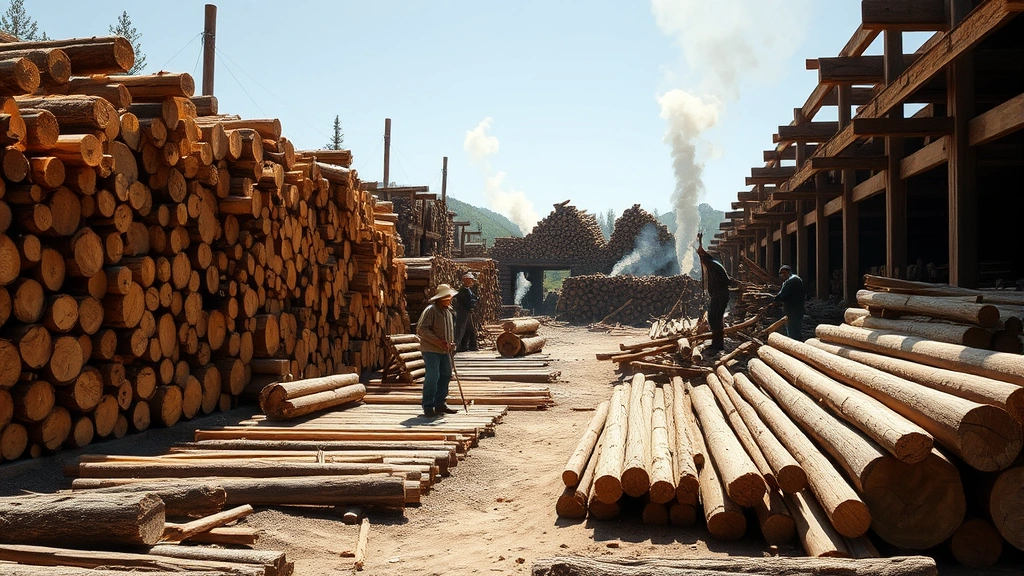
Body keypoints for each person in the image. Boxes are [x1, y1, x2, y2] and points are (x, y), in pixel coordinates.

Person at [416, 283, 459, 417]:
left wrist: (451, 344)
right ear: (440, 298)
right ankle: (428, 405)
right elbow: (422, 329)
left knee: (446, 375)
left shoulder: (448, 311)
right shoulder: (431, 310)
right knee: (433, 376)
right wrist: (438, 342)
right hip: (431, 350)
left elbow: (449, 331)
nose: (450, 300)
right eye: (447, 298)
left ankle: (440, 404)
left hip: (445, 350)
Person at [695, 232, 731, 350]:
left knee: (715, 319)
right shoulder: (713, 265)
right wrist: (699, 242)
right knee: (713, 318)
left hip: (720, 295)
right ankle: (716, 343)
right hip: (718, 295)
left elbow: (726, 281)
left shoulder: (714, 266)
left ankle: (717, 345)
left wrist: (700, 248)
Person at [774, 265, 806, 341]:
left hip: (793, 310)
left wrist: (773, 300)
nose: (782, 275)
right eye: (780, 273)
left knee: (793, 332)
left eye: (783, 273)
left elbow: (783, 294)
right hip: (796, 310)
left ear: (787, 272)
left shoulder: (792, 281)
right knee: (795, 330)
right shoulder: (792, 279)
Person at [454, 272, 479, 352]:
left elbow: (471, 297)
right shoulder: (462, 290)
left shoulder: (468, 290)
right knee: (461, 329)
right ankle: (458, 346)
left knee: (470, 329)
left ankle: (471, 346)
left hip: (467, 312)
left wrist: (476, 299)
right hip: (463, 312)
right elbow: (465, 301)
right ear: (466, 280)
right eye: (470, 280)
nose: (471, 282)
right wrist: (470, 308)